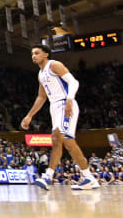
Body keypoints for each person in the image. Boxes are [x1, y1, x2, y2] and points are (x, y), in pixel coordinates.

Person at [21, 44, 99, 191]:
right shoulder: (40, 74)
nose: (33, 56)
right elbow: (41, 97)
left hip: (65, 104)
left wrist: (69, 99)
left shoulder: (54, 65)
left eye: (36, 53)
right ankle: (89, 178)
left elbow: (73, 82)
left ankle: (47, 177)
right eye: (32, 53)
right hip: (54, 107)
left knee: (56, 138)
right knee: (69, 144)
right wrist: (29, 115)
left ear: (46, 54)